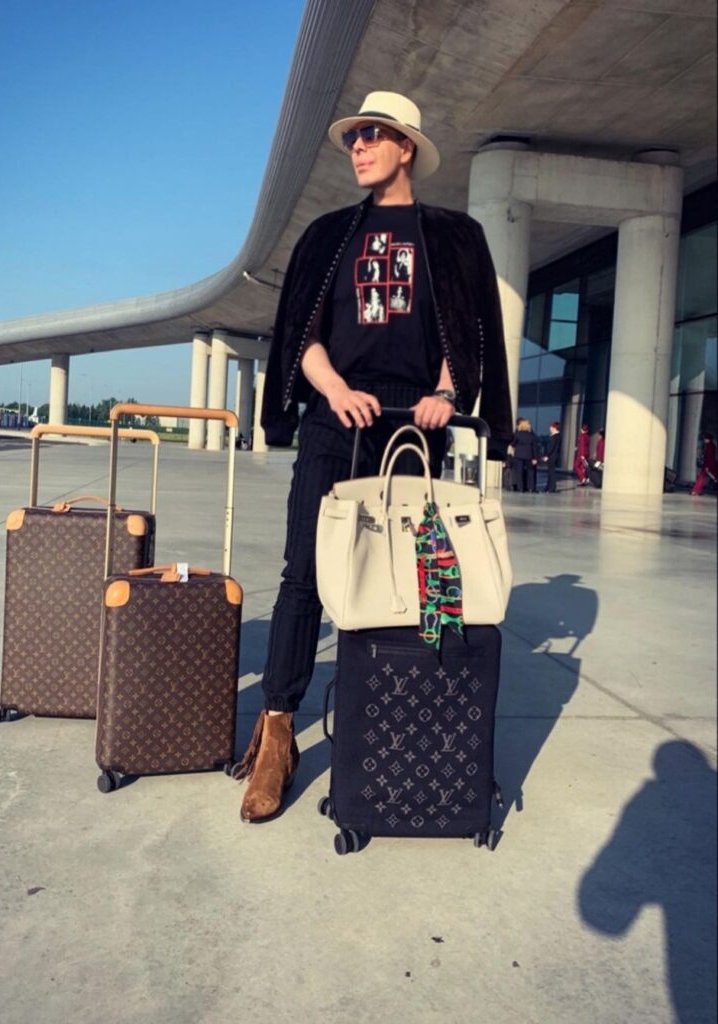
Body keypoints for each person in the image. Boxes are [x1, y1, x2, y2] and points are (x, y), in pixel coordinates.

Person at [232, 91, 513, 823]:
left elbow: (471, 334)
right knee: (303, 573)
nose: (357, 146)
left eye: (372, 135)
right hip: (337, 419)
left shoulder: (453, 236)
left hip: (412, 427)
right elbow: (299, 336)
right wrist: (334, 389)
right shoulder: (328, 235)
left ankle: (407, 717)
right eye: (353, 136)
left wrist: (446, 393)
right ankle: (277, 733)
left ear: (405, 147)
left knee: (413, 581)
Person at [511, 417, 538, 492]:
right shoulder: (531, 435)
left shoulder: (517, 434)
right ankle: (531, 487)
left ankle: (520, 487)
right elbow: (534, 447)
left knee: (519, 472)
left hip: (519, 455)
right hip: (529, 455)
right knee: (530, 471)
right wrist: (535, 458)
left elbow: (513, 444)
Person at [541, 421, 561, 493]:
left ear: (554, 428)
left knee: (551, 473)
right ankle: (549, 487)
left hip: (551, 457)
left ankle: (551, 488)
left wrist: (546, 455)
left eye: (551, 427)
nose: (550, 428)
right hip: (554, 456)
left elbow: (551, 447)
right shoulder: (558, 436)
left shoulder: (554, 437)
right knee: (550, 472)